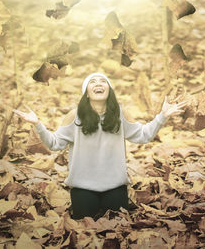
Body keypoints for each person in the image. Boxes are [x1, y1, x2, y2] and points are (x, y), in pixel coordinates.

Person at [14, 72, 187, 219]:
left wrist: (163, 115)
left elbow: (143, 135)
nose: (98, 84)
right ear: (86, 93)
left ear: (109, 91)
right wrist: (37, 123)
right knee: (85, 228)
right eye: (92, 82)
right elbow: (54, 144)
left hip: (115, 187)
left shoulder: (120, 114)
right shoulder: (74, 116)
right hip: (83, 187)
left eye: (103, 81)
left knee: (118, 226)